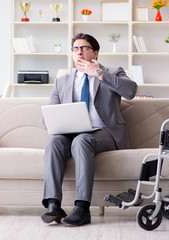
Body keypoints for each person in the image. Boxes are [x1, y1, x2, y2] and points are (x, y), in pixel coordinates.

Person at [41, 33, 137, 226]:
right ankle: (53, 205)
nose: (79, 53)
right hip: (71, 132)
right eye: (75, 49)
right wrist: (55, 121)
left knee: (82, 140)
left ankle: (82, 208)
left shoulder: (113, 71)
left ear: (95, 52)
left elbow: (131, 91)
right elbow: (48, 118)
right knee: (53, 142)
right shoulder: (62, 81)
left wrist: (99, 73)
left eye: (84, 48)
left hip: (104, 133)